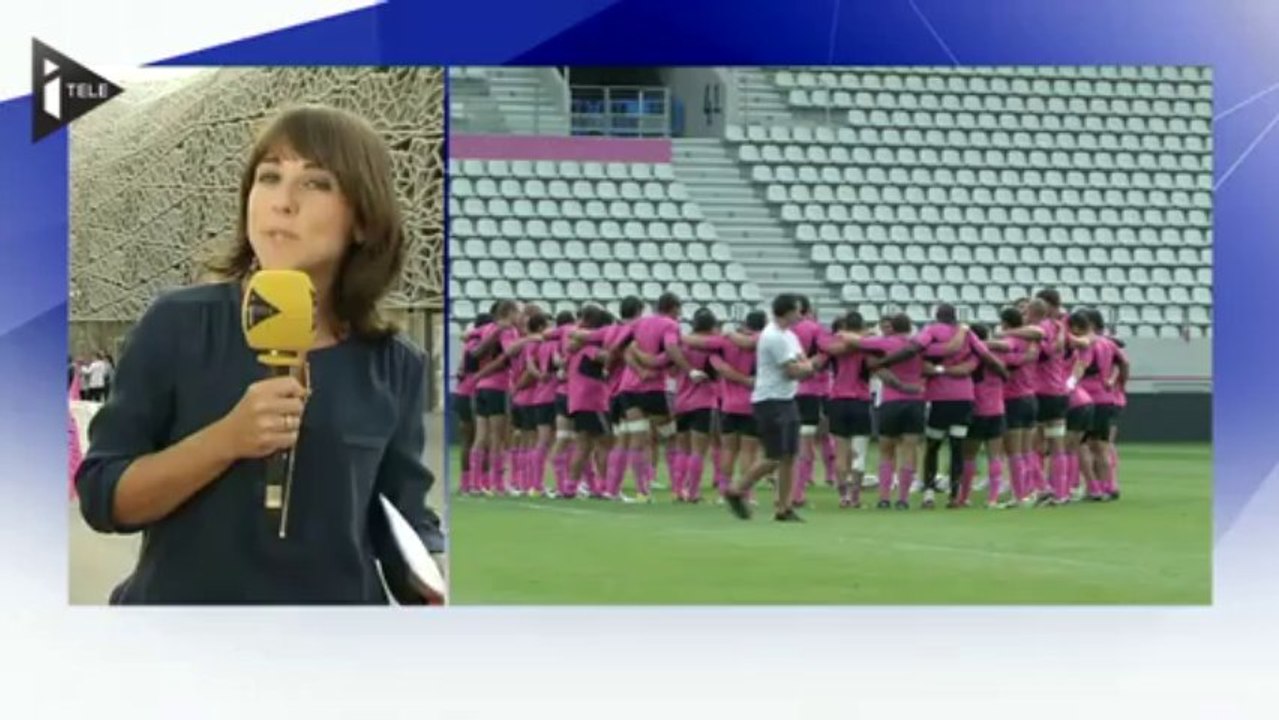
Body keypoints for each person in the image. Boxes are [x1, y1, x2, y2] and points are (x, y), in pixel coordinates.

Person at [76, 105, 444, 604]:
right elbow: (103, 497)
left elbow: (403, 519)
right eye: (269, 177)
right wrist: (228, 439)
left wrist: (425, 579)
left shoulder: (396, 364)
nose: (283, 201)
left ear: (362, 219)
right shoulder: (177, 324)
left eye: (316, 183)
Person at [724, 293, 813, 522]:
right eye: (798, 310)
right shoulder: (774, 336)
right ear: (787, 312)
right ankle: (736, 489)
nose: (801, 315)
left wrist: (804, 366)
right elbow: (794, 369)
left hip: (787, 398)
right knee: (773, 456)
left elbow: (801, 361)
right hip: (770, 399)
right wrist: (807, 367)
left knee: (790, 455)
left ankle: (784, 507)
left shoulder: (789, 336)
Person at [455, 313, 492, 495]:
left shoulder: (467, 344)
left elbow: (461, 369)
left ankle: (465, 482)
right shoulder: (482, 345)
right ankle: (482, 481)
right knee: (482, 438)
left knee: (466, 440)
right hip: (474, 391)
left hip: (461, 391)